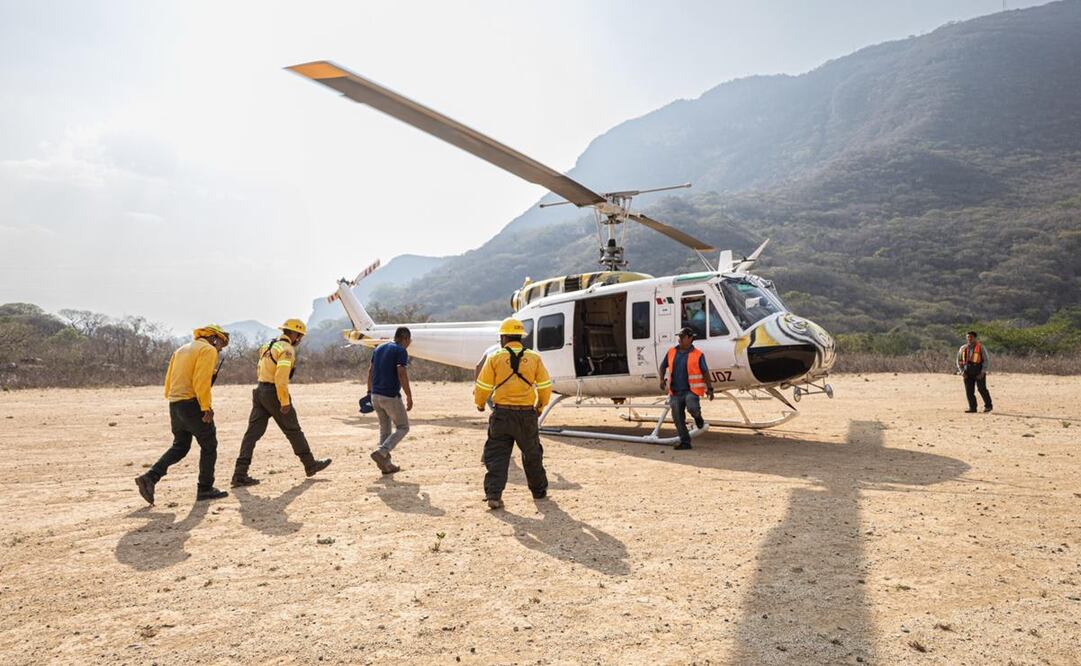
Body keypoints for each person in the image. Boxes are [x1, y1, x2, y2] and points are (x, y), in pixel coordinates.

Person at [135, 324, 231, 505]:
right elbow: (201, 381)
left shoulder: (181, 350)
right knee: (209, 445)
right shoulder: (208, 350)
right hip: (192, 404)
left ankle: (150, 478)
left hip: (175, 403)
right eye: (221, 344)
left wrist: (173, 399)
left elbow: (169, 380)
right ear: (214, 338)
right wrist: (206, 407)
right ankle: (205, 489)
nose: (220, 349)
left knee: (180, 446)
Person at [231, 319, 331, 486]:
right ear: (294, 334)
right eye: (299, 336)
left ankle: (239, 474)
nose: (300, 340)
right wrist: (284, 401)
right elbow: (281, 378)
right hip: (274, 393)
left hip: (260, 391)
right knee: (293, 430)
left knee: (252, 434)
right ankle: (310, 464)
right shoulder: (286, 350)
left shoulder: (269, 345)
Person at [473, 318, 553, 509]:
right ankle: (539, 492)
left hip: (501, 415)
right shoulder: (534, 358)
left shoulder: (495, 357)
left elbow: (483, 385)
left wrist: (480, 404)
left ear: (504, 337)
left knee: (497, 455)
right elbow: (545, 386)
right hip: (526, 415)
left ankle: (493, 495)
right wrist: (540, 406)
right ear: (520, 337)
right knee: (532, 454)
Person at [658, 326, 715, 450]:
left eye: (682, 337)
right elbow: (662, 367)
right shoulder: (671, 352)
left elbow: (705, 372)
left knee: (693, 408)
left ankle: (698, 417)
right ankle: (685, 442)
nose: (679, 339)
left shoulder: (698, 354)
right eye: (679, 337)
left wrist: (710, 389)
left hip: (691, 391)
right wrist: (662, 379)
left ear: (690, 338)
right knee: (677, 418)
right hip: (675, 392)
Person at [367, 327, 413, 474]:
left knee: (385, 430)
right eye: (409, 341)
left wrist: (369, 391)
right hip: (390, 396)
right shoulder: (400, 351)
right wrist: (409, 395)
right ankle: (382, 452)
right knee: (403, 427)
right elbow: (401, 372)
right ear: (405, 338)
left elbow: (370, 370)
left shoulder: (379, 348)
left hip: (375, 395)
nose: (409, 344)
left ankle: (386, 465)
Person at [957, 330, 993, 413]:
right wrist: (962, 371)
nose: (969, 339)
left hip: (978, 371)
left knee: (982, 389)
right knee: (969, 391)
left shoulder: (981, 347)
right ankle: (972, 408)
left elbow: (986, 360)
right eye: (968, 337)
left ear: (975, 338)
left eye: (971, 337)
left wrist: (983, 372)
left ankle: (988, 406)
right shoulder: (963, 348)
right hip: (967, 371)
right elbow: (958, 361)